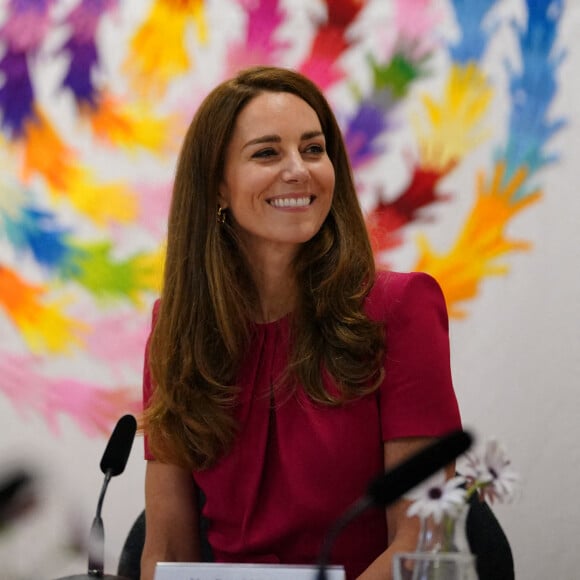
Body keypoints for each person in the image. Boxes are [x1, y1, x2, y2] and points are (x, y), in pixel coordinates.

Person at [140, 65, 461, 580]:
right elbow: (167, 548)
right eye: (267, 152)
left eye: (313, 149)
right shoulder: (176, 326)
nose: (300, 170)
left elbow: (420, 539)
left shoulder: (401, 307)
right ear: (217, 188)